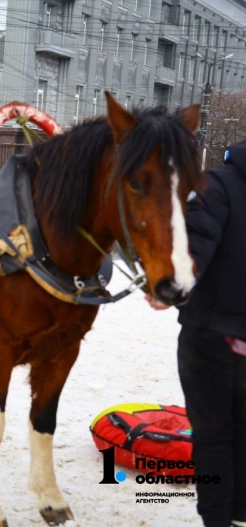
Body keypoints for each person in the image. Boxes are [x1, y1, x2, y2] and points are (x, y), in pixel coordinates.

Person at [147, 139, 246, 527]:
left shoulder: (216, 187)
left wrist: (169, 289)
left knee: (214, 434)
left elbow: (191, 249)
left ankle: (219, 521)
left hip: (214, 338)